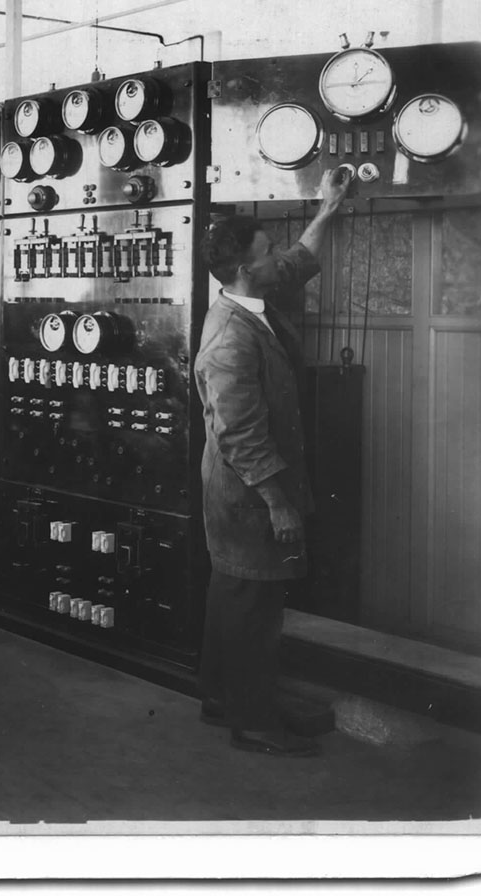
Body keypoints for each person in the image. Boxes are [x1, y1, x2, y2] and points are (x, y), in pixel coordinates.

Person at [194, 165, 353, 757]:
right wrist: (278, 502)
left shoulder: (251, 293)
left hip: (243, 487)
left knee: (235, 592)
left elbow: (296, 261)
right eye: (266, 253)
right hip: (247, 490)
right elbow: (240, 434)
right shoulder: (230, 338)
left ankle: (222, 697)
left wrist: (328, 207)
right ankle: (254, 720)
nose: (275, 258)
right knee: (253, 603)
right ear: (245, 267)